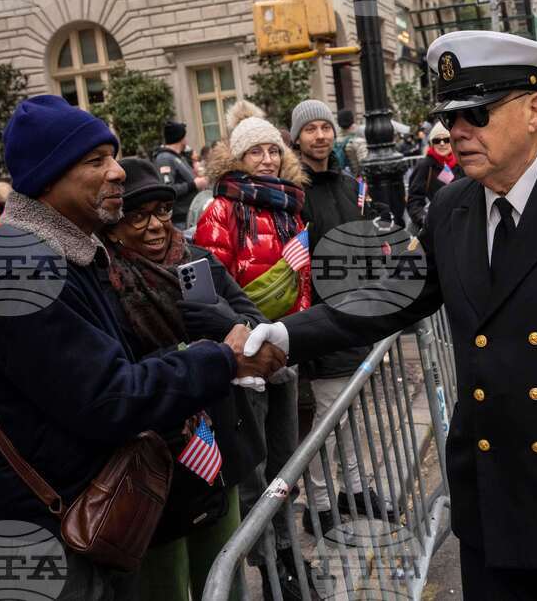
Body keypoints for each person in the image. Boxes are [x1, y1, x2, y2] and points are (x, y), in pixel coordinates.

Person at [246, 31, 537, 600]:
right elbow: (392, 295)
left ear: (534, 110)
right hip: (492, 513)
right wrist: (283, 334)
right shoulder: (453, 206)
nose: (456, 131)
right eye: (449, 115)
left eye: (476, 112)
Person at [0, 95, 285, 600]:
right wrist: (221, 357)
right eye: (95, 161)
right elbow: (109, 396)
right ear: (47, 178)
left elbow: (114, 372)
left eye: (112, 156)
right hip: (35, 530)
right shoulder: (20, 269)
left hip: (73, 512)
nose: (117, 173)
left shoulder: (69, 255)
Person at [101, 157, 265, 601]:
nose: (155, 226)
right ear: (113, 227)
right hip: (152, 464)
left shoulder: (196, 260)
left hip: (216, 446)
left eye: (160, 212)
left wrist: (225, 320)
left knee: (223, 575)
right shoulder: (104, 280)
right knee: (163, 585)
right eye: (137, 217)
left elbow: (254, 320)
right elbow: (112, 374)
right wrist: (191, 358)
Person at [194, 100, 315, 600]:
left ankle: (287, 557)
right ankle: (268, 566)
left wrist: (300, 331)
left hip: (287, 349)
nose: (266, 159)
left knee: (287, 465)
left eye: (272, 149)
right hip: (246, 359)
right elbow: (211, 288)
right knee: (255, 469)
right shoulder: (220, 209)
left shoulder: (291, 206)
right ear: (236, 159)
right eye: (255, 152)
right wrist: (245, 337)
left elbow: (303, 279)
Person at [288, 97, 392, 536]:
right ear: (296, 137)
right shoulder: (292, 189)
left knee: (353, 415)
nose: (320, 136)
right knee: (326, 423)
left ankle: (352, 489)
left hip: (359, 312)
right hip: (323, 318)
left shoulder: (350, 184)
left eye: (325, 127)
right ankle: (321, 504)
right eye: (310, 129)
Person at [406, 122, 465, 235]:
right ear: (431, 143)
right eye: (437, 140)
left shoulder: (461, 162)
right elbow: (414, 200)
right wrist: (425, 220)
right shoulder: (424, 165)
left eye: (446, 140)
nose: (442, 143)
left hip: (462, 225)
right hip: (437, 228)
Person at [154, 121, 208, 229]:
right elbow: (167, 189)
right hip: (180, 221)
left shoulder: (178, 157)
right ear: (181, 138)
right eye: (185, 137)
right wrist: (194, 184)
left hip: (189, 216)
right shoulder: (165, 158)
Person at [333, 109, 366, 177]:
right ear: (352, 121)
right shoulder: (358, 142)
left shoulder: (334, 142)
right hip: (355, 181)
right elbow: (365, 165)